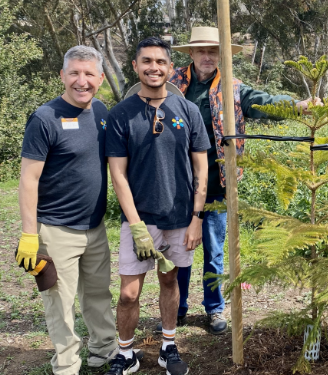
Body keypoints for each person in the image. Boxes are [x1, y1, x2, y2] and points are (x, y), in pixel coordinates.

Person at [167, 26, 320, 334]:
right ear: (191, 54)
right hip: (177, 184)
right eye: (202, 51)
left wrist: (298, 105)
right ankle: (178, 307)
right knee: (177, 252)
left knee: (214, 250)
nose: (208, 56)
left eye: (213, 51)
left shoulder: (232, 88)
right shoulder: (172, 86)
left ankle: (213, 308)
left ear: (221, 56)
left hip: (218, 183)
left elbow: (264, 102)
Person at [105, 37, 210, 375]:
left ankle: (168, 347)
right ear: (135, 66)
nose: (154, 67)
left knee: (170, 281)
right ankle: (125, 353)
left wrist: (196, 218)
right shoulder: (121, 114)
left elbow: (201, 168)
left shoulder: (188, 111)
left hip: (180, 218)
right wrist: (136, 226)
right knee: (128, 293)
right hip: (140, 218)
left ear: (170, 67)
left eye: (161, 62)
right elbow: (118, 175)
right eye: (146, 61)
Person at [16, 45, 117, 374]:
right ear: (62, 75)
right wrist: (30, 235)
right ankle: (67, 366)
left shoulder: (101, 112)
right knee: (60, 306)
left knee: (99, 296)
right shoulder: (45, 118)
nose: (81, 81)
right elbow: (29, 180)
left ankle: (104, 352)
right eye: (74, 72)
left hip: (95, 229)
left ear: (100, 78)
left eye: (89, 74)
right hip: (56, 231)